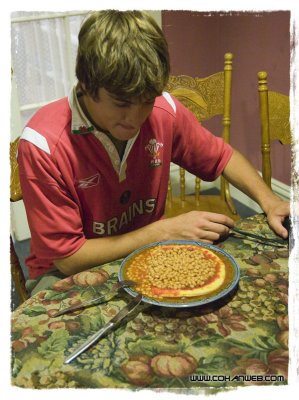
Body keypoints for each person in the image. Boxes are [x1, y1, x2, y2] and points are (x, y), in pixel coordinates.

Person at [18, 10, 290, 294]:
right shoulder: (43, 144)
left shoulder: (164, 111)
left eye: (147, 101)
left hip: (147, 247)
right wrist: (163, 231)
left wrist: (270, 202)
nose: (135, 118)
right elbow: (70, 258)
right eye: (121, 103)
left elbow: (223, 157)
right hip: (63, 272)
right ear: (86, 84)